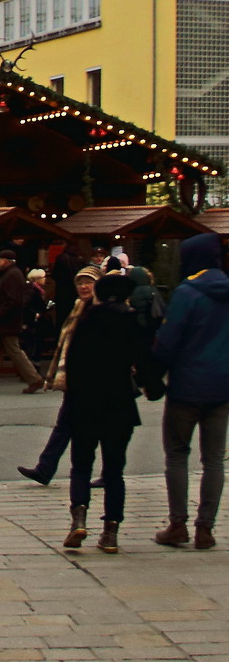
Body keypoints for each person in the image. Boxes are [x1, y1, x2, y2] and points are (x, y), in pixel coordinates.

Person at [61, 272, 162, 554]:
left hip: (85, 403)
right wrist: (152, 388)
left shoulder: (86, 319)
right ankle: (111, 532)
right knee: (114, 469)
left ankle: (79, 519)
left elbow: (73, 362)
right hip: (118, 403)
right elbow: (142, 360)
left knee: (81, 463)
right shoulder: (131, 320)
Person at [152, 232, 229, 551]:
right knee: (214, 459)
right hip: (222, 387)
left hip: (186, 385)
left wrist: (152, 376)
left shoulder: (186, 293)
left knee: (177, 455)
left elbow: (168, 341)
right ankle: (205, 528)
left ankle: (178, 523)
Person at [17, 264, 100, 484]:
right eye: (80, 283)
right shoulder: (78, 307)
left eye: (89, 282)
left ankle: (108, 473)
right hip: (75, 377)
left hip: (92, 379)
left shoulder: (100, 310)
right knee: (65, 424)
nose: (84, 286)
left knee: (92, 427)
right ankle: (45, 468)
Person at [0, 250, 43, 394]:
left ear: (6, 261)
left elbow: (13, 300)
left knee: (14, 350)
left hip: (6, 321)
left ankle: (34, 379)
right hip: (4, 321)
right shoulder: (12, 274)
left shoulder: (11, 275)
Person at [50, 244, 84, 333]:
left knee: (61, 318)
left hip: (62, 293)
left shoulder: (60, 258)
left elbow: (55, 275)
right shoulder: (79, 260)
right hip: (75, 293)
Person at [22, 267, 50, 362]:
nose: (45, 279)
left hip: (36, 322)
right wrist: (35, 315)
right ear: (37, 279)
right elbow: (25, 305)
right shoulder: (32, 291)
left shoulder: (36, 290)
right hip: (33, 323)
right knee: (33, 345)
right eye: (43, 277)